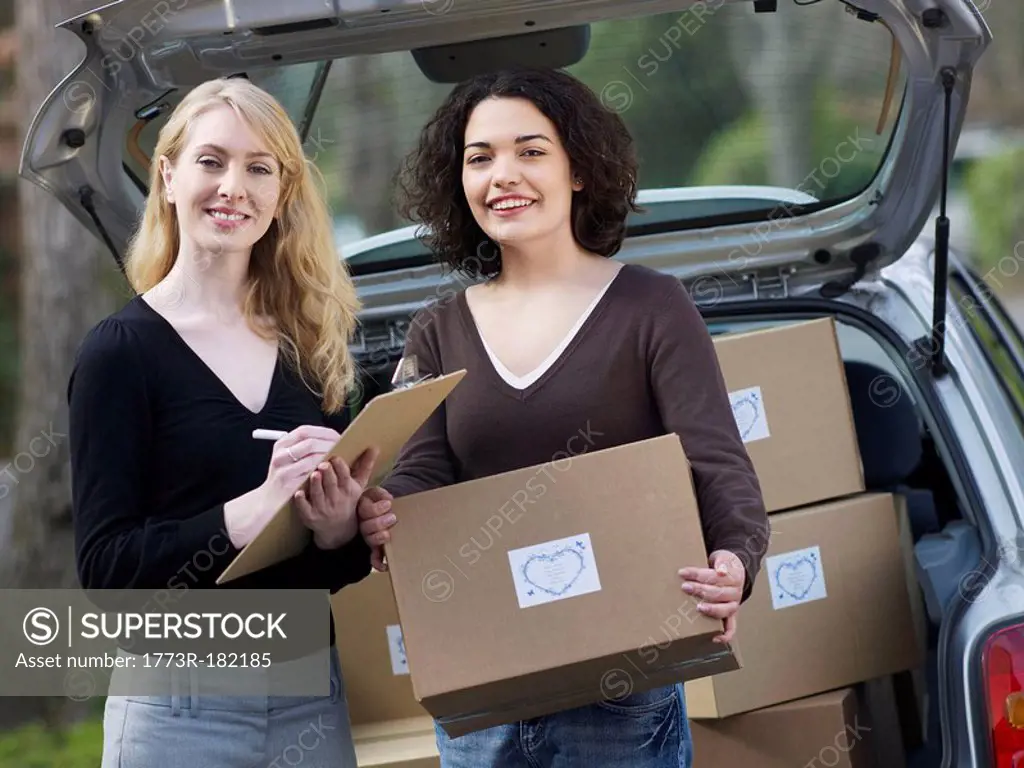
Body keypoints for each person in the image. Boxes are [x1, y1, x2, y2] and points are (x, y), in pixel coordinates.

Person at [355, 68, 771, 768]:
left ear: (578, 170)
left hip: (623, 686)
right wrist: (384, 513)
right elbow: (426, 470)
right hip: (481, 683)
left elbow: (715, 460)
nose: (503, 175)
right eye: (480, 158)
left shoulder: (652, 308)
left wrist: (736, 558)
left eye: (530, 151)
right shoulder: (438, 331)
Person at [68, 77, 376, 767]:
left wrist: (335, 529)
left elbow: (339, 567)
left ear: (280, 195)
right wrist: (253, 511)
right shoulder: (120, 353)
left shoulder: (312, 345)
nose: (233, 186)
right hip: (180, 708)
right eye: (212, 161)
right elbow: (107, 572)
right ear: (169, 176)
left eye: (258, 168)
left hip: (309, 692)